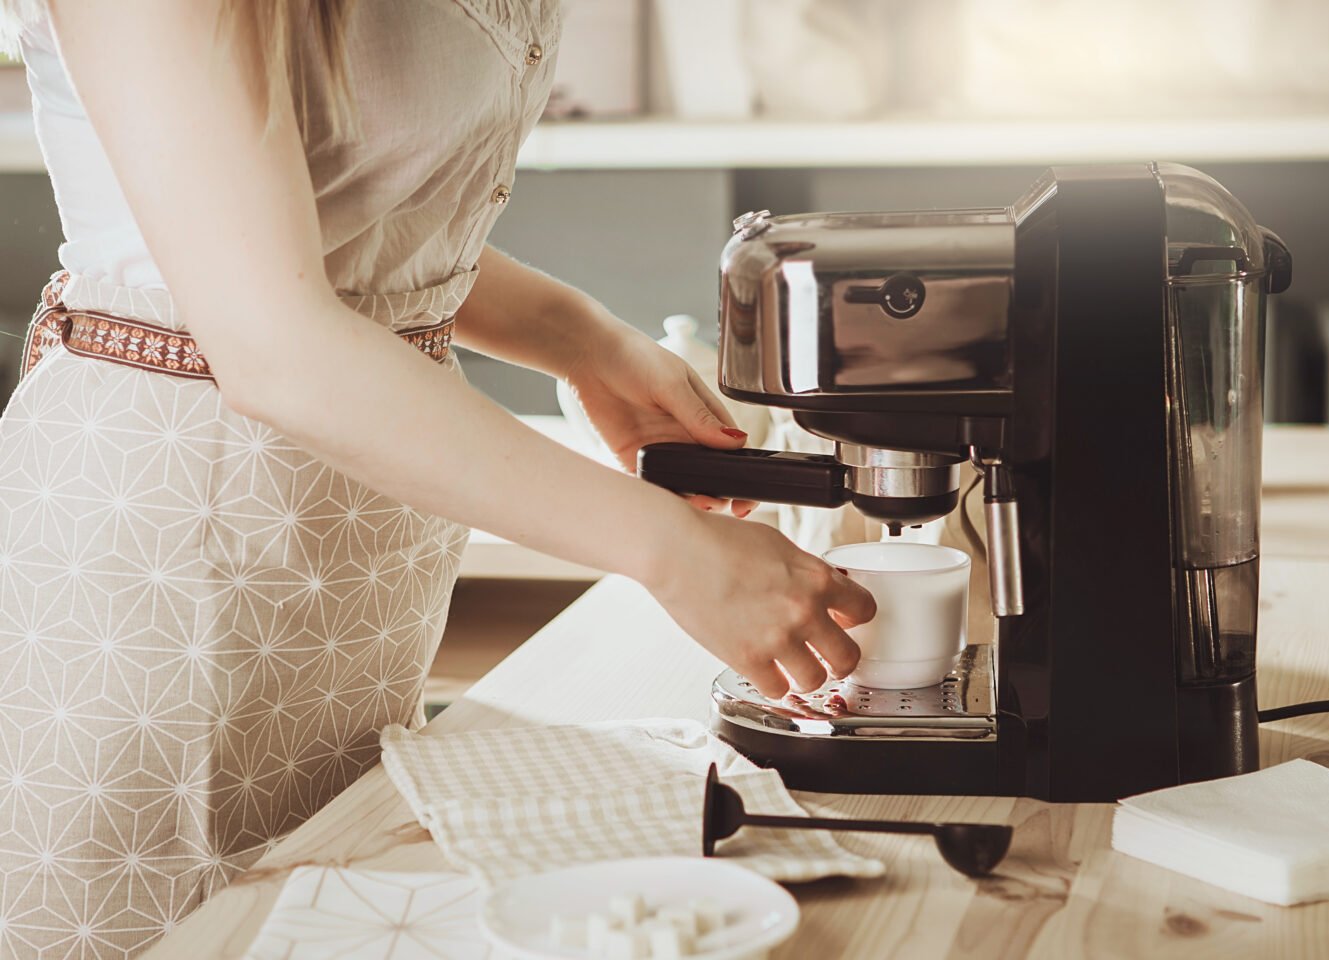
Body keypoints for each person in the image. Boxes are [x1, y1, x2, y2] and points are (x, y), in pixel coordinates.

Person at [0, 1, 875, 955]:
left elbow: (347, 206)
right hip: (161, 567)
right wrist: (676, 553)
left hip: (350, 557)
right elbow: (273, 346)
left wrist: (582, 341)